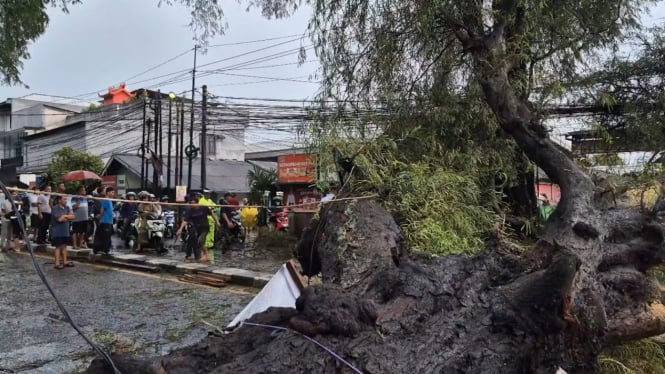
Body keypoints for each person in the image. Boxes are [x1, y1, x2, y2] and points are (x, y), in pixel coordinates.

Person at [177, 193, 220, 262]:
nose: (192, 205)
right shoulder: (190, 210)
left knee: (200, 241)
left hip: (205, 227)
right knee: (196, 242)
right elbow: (185, 220)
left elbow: (212, 214)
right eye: (191, 203)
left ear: (197, 203)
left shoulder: (204, 207)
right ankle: (202, 255)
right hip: (197, 228)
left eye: (193, 203)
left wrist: (217, 222)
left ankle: (206, 255)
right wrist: (180, 229)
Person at [51, 195, 75, 269]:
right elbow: (60, 219)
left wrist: (65, 216)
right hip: (57, 231)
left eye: (66, 199)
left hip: (65, 230)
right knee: (58, 247)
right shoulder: (55, 208)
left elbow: (73, 216)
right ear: (59, 200)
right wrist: (67, 216)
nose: (66, 200)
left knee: (64, 246)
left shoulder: (67, 208)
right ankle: (57, 263)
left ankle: (65, 261)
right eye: (64, 199)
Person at [94, 187, 116, 254]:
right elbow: (102, 210)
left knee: (107, 236)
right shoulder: (106, 200)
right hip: (105, 221)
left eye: (113, 192)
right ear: (108, 192)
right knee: (104, 236)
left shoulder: (109, 200)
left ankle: (105, 249)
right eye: (112, 192)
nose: (113, 194)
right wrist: (100, 218)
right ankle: (103, 249)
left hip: (109, 221)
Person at [198, 188, 216, 262]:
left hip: (211, 220)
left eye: (209, 194)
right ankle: (206, 249)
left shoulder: (210, 200)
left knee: (211, 234)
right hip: (206, 220)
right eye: (207, 194)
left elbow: (214, 206)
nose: (209, 195)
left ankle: (210, 246)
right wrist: (212, 208)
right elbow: (209, 208)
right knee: (206, 236)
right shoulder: (202, 201)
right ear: (205, 194)